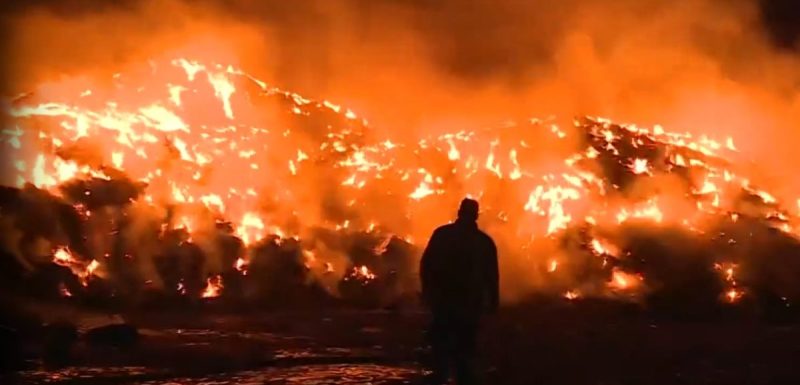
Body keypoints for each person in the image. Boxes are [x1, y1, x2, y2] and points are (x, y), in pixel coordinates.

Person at [420, 198, 499, 385]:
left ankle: (442, 374)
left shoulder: (442, 235)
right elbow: (492, 275)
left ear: (459, 213)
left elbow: (426, 265)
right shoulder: (484, 241)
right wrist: (493, 301)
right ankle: (460, 375)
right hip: (469, 302)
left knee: (443, 341)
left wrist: (427, 290)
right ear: (475, 215)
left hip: (445, 299)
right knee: (465, 344)